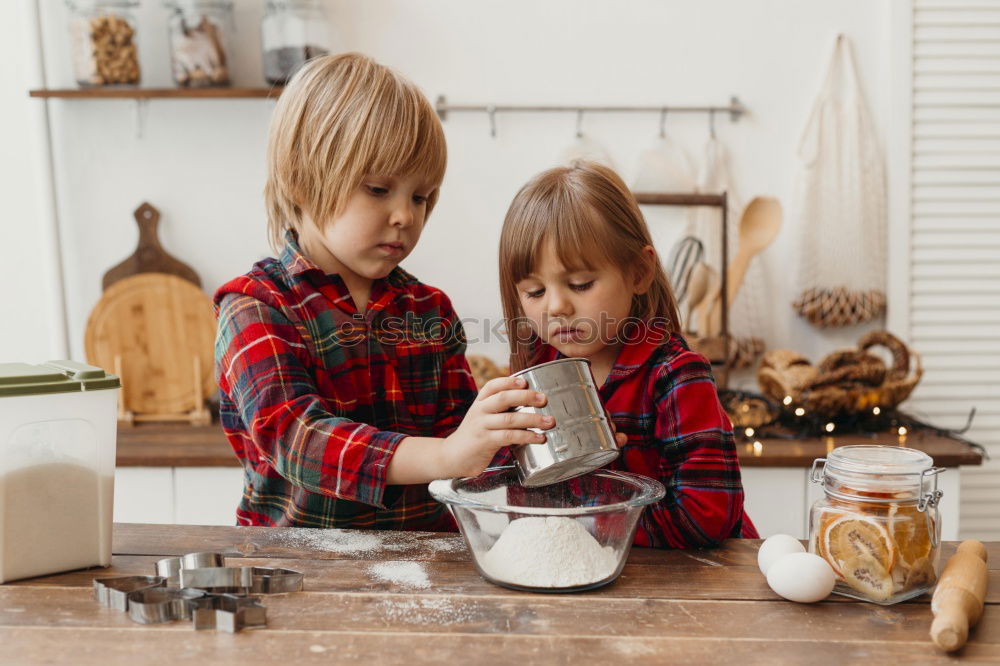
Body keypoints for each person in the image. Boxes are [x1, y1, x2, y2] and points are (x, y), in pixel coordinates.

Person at [214, 53, 563, 529]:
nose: (406, 216)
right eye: (378, 189)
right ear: (301, 180)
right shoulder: (256, 306)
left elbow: (464, 449)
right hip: (300, 574)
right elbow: (299, 440)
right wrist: (448, 454)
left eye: (420, 196)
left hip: (428, 566)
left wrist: (524, 435)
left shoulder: (428, 308)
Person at [496, 160, 758, 548]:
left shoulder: (675, 375)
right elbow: (526, 513)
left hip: (694, 585)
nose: (556, 306)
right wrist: (499, 448)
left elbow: (705, 520)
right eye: (534, 292)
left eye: (581, 284)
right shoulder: (536, 373)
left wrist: (599, 487)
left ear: (639, 272)